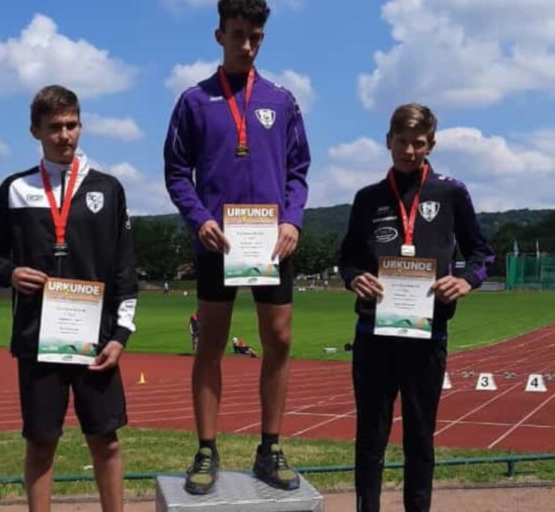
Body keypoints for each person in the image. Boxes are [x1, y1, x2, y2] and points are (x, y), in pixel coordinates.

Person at [164, 0, 310, 495]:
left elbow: (298, 170)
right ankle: (206, 449)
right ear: (219, 35)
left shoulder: (282, 100)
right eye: (238, 35)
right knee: (210, 344)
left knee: (280, 340)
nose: (247, 46)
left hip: (272, 241)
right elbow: (176, 173)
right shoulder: (194, 100)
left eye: (256, 37)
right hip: (218, 241)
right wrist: (199, 218)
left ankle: (270, 447)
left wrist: (292, 220)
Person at [0, 85, 138, 512]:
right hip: (38, 338)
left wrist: (120, 335)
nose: (64, 135)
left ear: (81, 125)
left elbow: (125, 269)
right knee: (41, 443)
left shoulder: (108, 189)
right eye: (54, 127)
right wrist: (10, 273)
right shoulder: (15, 189)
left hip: (96, 340)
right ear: (35, 131)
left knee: (106, 442)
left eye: (72, 125)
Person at [339, 103, 494, 512]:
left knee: (420, 441)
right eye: (402, 141)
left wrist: (466, 280)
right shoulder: (368, 198)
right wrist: (354, 278)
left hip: (428, 336)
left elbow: (481, 252)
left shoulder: (451, 193)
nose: (409, 151)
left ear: (432, 145)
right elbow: (348, 259)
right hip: (373, 335)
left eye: (418, 143)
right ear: (388, 141)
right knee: (369, 440)